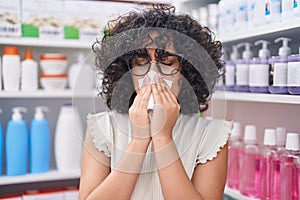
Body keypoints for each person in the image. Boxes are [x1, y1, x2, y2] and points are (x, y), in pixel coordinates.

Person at [79, 4, 233, 200]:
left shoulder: (212, 135)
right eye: (141, 63)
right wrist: (139, 140)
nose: (153, 75)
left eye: (167, 63)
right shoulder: (102, 128)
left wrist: (163, 138)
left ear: (187, 72)